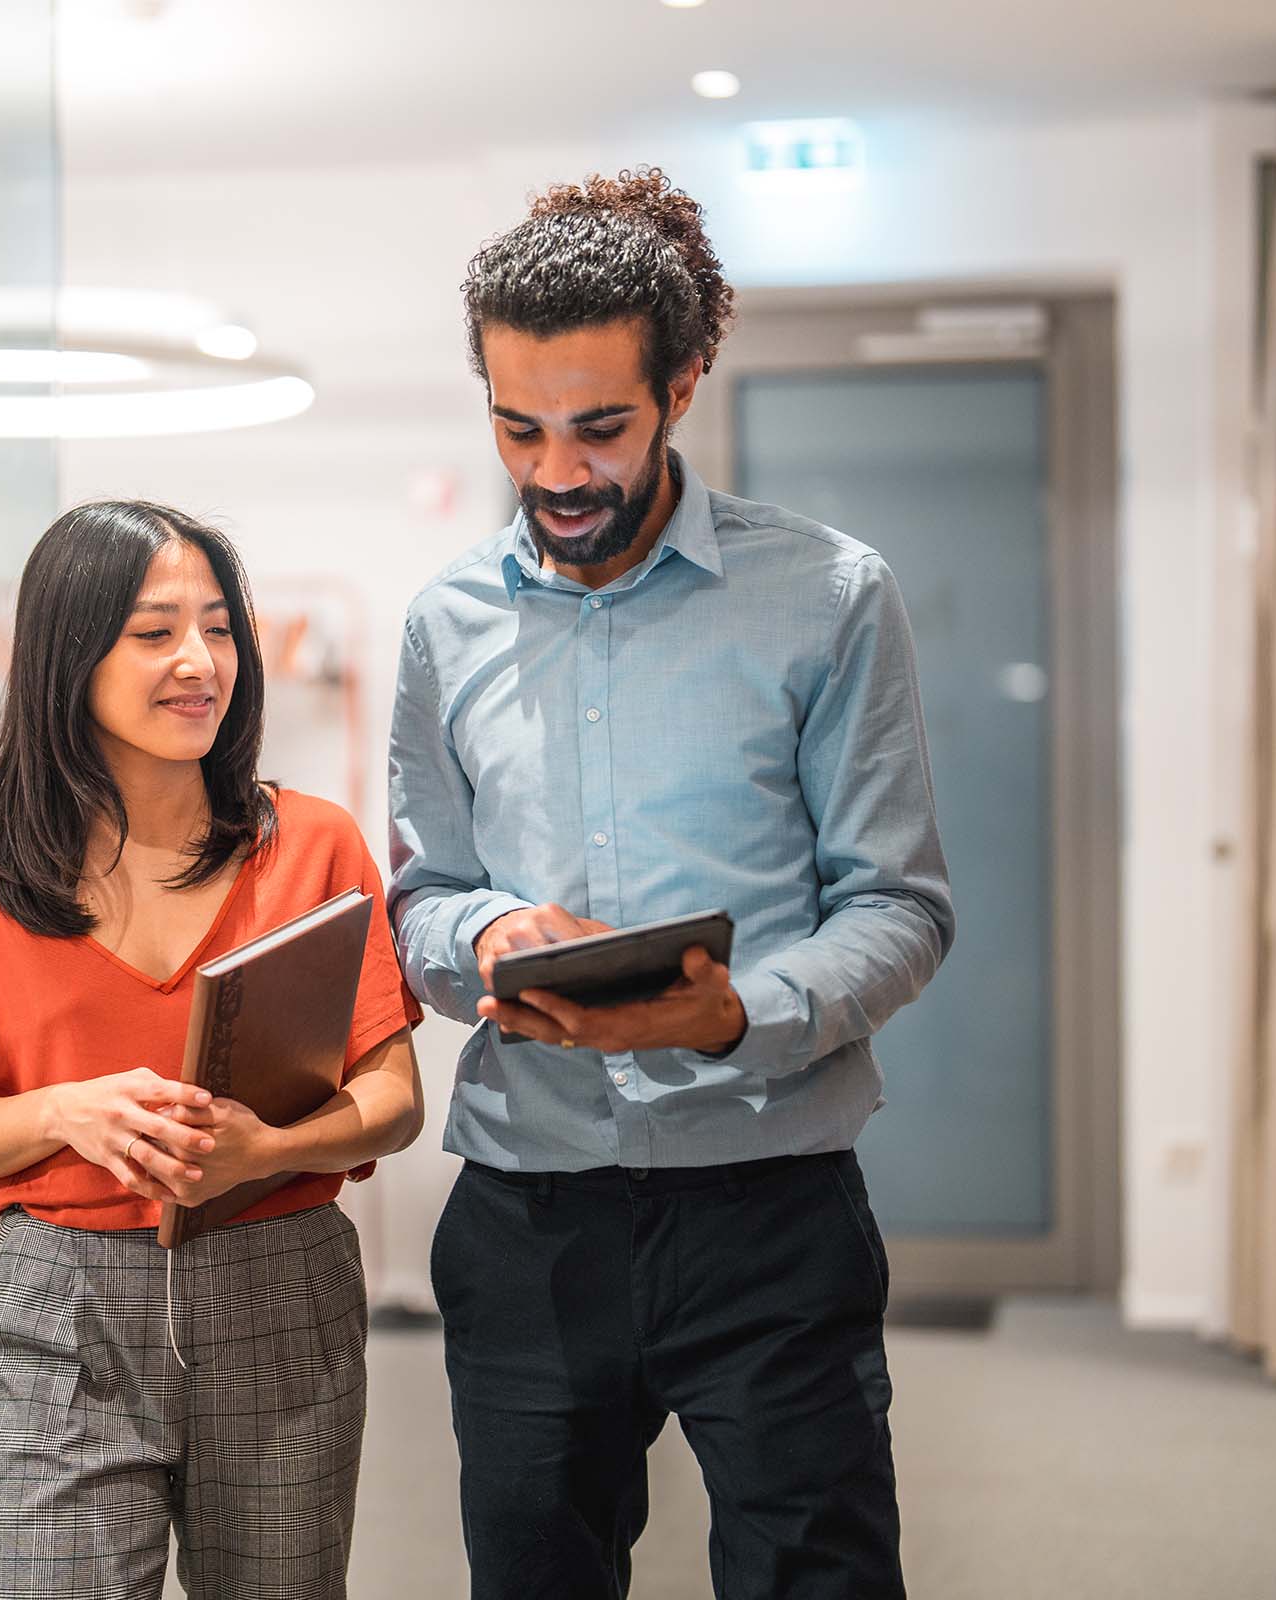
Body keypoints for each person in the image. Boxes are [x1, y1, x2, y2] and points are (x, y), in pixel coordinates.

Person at [388, 168, 954, 1599]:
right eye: (519, 428)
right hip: (528, 1214)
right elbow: (422, 897)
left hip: (770, 1207)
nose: (557, 472)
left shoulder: (828, 595)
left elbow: (900, 904)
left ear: (685, 384)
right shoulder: (446, 623)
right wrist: (488, 930)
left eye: (600, 428)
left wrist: (726, 1016)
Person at [0, 500, 423, 1600]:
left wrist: (267, 1147)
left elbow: (395, 1099)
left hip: (282, 1288)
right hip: (62, 1306)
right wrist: (60, 1111)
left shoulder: (313, 845)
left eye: (218, 629)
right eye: (155, 631)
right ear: (68, 653)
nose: (198, 662)